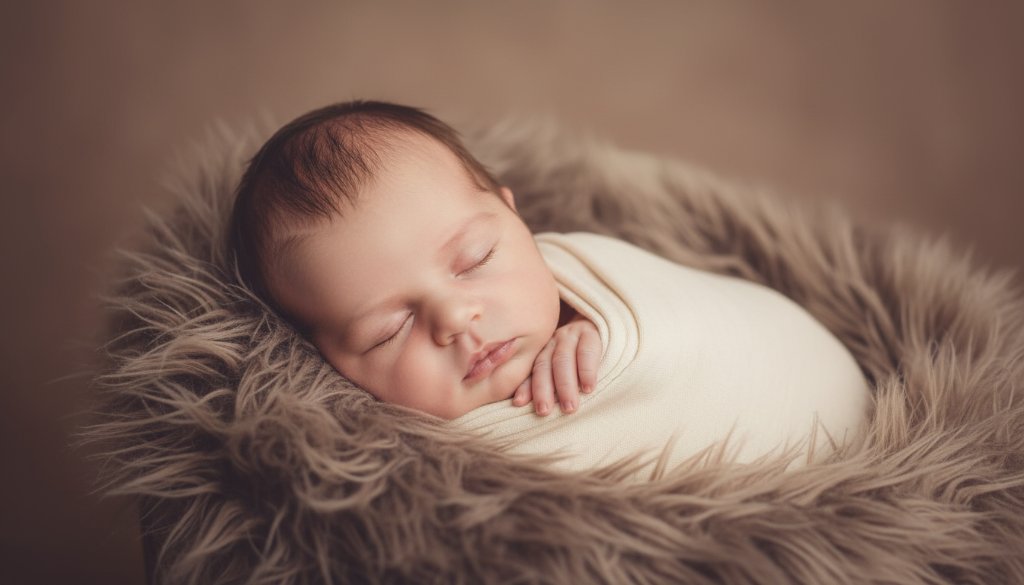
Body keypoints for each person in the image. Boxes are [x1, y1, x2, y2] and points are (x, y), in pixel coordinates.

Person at [230, 100, 871, 474]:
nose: (455, 316)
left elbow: (689, 320)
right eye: (388, 331)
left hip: (828, 399)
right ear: (322, 361)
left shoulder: (587, 274)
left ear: (516, 216)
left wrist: (589, 323)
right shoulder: (417, 470)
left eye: (477, 257)